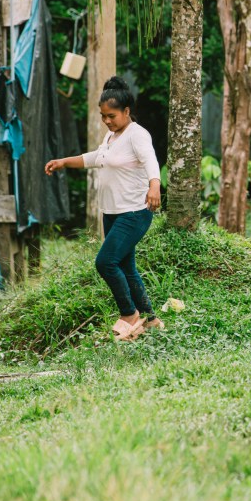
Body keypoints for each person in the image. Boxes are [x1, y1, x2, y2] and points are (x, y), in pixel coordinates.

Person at [45, 77, 162, 341]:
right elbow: (97, 158)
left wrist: (154, 185)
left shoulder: (137, 134)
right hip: (112, 213)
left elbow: (150, 160)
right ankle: (151, 320)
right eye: (103, 116)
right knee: (126, 267)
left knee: (106, 262)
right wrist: (64, 161)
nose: (107, 121)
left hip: (134, 212)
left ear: (126, 111)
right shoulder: (112, 136)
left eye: (112, 116)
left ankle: (129, 314)